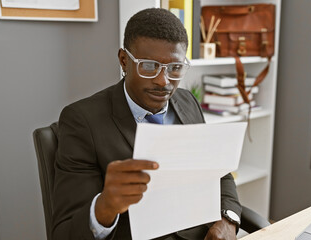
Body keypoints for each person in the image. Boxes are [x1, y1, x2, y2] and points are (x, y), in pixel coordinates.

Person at [52, 8, 242, 240]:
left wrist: (228, 220)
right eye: (149, 66)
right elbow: (63, 233)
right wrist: (105, 207)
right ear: (124, 60)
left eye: (175, 68)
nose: (163, 82)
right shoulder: (82, 121)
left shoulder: (187, 102)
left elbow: (220, 175)